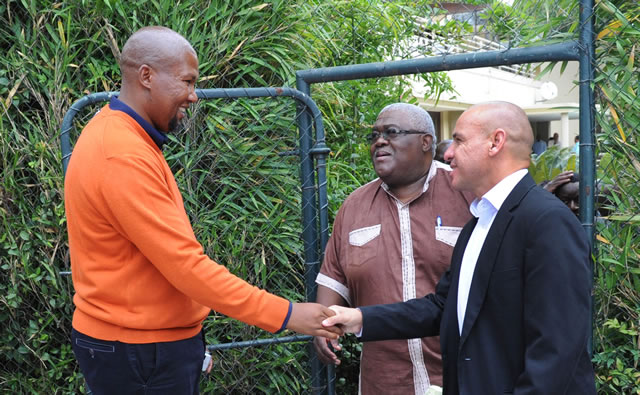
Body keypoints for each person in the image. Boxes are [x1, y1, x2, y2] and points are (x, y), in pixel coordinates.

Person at [64, 26, 340, 394]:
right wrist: (287, 314)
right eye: (187, 81)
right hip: (139, 351)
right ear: (146, 76)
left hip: (143, 344)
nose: (194, 96)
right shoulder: (122, 154)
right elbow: (186, 266)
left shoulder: (119, 133)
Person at [322, 101, 596, 394]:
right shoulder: (477, 225)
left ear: (496, 143)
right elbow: (443, 308)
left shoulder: (547, 222)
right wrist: (361, 319)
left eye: (460, 141)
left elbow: (556, 350)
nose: (448, 152)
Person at [314, 103, 473, 394]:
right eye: (374, 136)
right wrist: (324, 327)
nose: (379, 142)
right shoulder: (355, 207)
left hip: (461, 375)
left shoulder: (465, 194)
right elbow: (333, 277)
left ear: (426, 142)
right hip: (384, 381)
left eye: (391, 133)